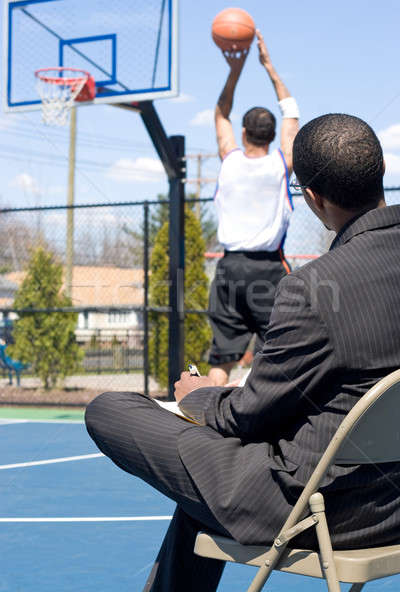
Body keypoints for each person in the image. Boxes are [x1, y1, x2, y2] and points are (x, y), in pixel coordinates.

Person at [85, 113, 400, 592]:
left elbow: (247, 419)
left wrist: (196, 397)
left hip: (317, 510)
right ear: (378, 173)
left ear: (313, 198)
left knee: (109, 408)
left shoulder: (312, 289)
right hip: (392, 506)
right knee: (201, 488)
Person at [208, 30, 299, 386]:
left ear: (244, 133)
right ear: (272, 135)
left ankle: (207, 422)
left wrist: (236, 68)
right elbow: (291, 111)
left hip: (229, 267)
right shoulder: (282, 161)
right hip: (267, 270)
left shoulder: (229, 160)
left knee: (222, 357)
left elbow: (220, 113)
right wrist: (269, 67)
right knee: (276, 353)